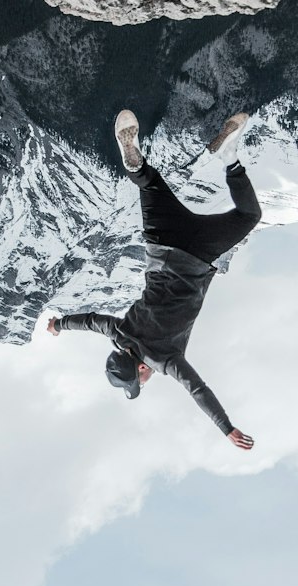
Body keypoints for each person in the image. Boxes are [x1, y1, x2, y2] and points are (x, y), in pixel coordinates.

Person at [47, 109, 261, 449]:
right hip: (160, 243)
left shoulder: (165, 360)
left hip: (198, 252)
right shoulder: (119, 332)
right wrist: (59, 324)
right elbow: (90, 321)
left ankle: (229, 158)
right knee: (148, 181)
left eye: (141, 382)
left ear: (141, 372)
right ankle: (135, 162)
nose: (146, 381)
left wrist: (226, 428)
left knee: (250, 215)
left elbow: (197, 390)